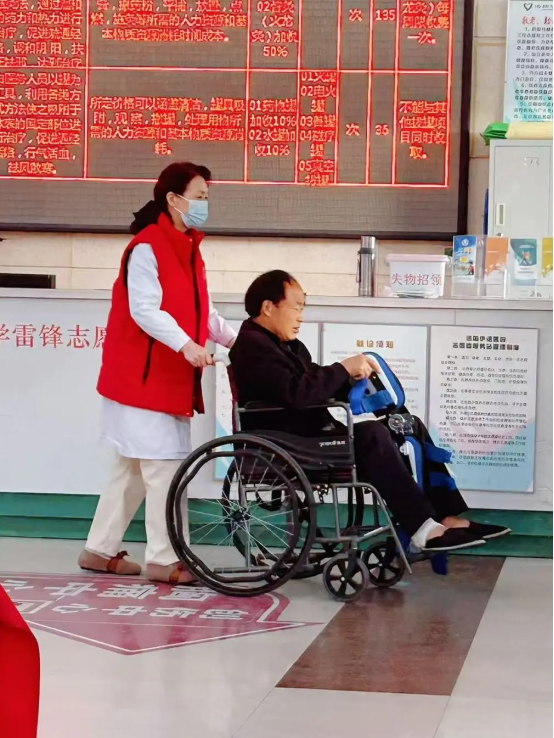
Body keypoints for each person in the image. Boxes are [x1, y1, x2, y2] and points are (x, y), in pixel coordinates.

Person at [229, 271, 511, 553]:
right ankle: (422, 529)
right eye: (297, 307)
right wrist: (342, 368)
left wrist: (355, 381)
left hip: (308, 438)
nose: (301, 316)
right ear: (268, 307)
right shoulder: (252, 346)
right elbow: (298, 393)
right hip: (288, 443)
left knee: (406, 424)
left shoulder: (288, 346)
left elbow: (313, 385)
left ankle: (444, 517)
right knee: (372, 434)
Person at [78, 162, 237, 584]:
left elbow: (206, 313)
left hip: (163, 378)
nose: (204, 204)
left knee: (131, 470)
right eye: (199, 196)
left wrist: (239, 342)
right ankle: (165, 559)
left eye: (206, 197)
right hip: (143, 379)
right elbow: (144, 310)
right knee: (164, 468)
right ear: (172, 198)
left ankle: (98, 550)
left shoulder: (189, 249)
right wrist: (186, 345)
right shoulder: (147, 247)